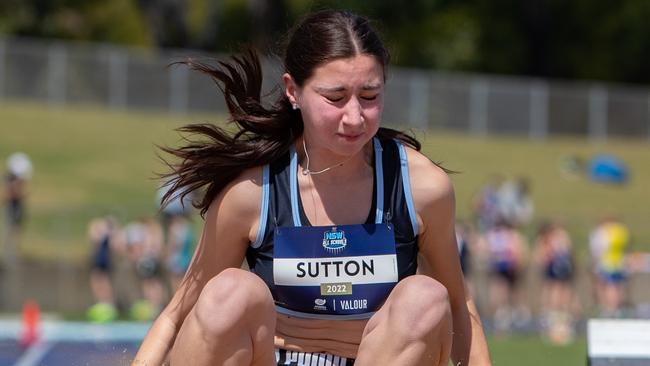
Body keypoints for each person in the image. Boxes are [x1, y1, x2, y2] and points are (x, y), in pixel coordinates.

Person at [133, 10, 491, 366]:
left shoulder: (421, 187)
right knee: (230, 292)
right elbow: (178, 315)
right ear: (293, 91)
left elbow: (460, 307)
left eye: (369, 95)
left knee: (425, 296)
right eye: (335, 98)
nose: (354, 117)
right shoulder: (253, 191)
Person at [533, 220, 577, 344]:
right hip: (555, 269)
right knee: (555, 292)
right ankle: (554, 323)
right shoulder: (552, 238)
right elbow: (541, 256)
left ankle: (560, 323)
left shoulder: (559, 237)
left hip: (560, 268)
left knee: (559, 292)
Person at [589, 216, 630, 318]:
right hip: (620, 263)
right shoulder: (621, 231)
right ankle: (616, 308)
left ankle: (609, 308)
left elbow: (597, 249)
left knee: (608, 287)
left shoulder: (603, 232)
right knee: (617, 287)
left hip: (606, 263)